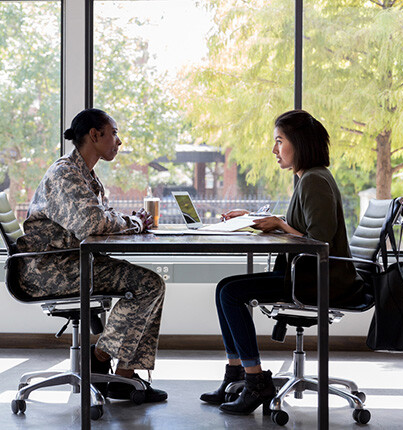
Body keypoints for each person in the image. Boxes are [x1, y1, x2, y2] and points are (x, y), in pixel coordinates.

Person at [200, 109, 364, 415]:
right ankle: (237, 376)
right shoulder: (308, 178)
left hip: (318, 281)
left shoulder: (314, 180)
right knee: (226, 288)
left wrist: (279, 224)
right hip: (308, 276)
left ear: (299, 143)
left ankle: (254, 382)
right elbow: (296, 225)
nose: (275, 150)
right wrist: (252, 218)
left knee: (229, 293)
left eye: (280, 141)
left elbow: (319, 242)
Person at [16, 108, 167, 403]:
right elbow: (91, 223)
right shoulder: (65, 174)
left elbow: (98, 216)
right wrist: (133, 223)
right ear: (95, 135)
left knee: (148, 283)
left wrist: (126, 222)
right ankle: (102, 356)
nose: (119, 141)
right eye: (114, 133)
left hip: (70, 261)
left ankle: (121, 375)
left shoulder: (83, 173)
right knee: (148, 284)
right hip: (51, 270)